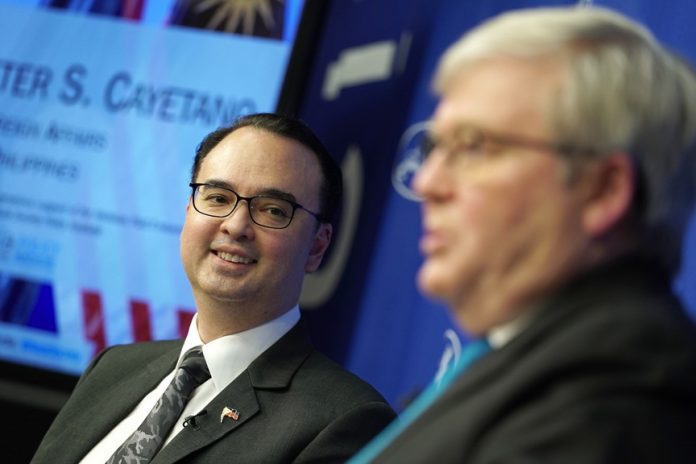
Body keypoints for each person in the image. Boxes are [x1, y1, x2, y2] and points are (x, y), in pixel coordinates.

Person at [351, 6, 696, 464]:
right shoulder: (527, 354)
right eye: (435, 148)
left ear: (603, 189)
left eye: (473, 147)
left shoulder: (615, 393)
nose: (426, 183)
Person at [32, 113, 395, 463]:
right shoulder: (112, 368)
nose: (236, 226)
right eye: (218, 198)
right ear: (188, 209)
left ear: (317, 246)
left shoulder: (345, 422)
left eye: (273, 210)